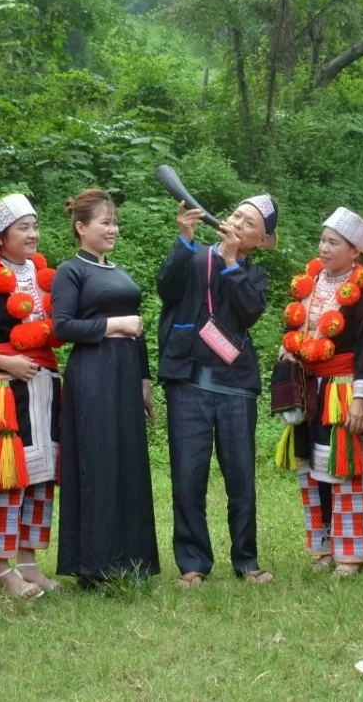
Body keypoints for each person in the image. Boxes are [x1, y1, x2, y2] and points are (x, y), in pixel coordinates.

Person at [157, 195, 277, 589]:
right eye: (236, 215)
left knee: (240, 477)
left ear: (260, 241)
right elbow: (165, 288)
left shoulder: (254, 275)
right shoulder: (194, 256)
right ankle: (193, 564)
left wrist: (230, 263)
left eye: (249, 223)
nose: (238, 222)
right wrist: (185, 238)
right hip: (188, 381)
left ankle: (247, 561)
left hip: (236, 386)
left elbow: (249, 312)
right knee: (188, 476)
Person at [52, 189, 159, 585]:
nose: (112, 229)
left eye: (114, 222)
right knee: (97, 460)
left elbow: (139, 327)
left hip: (127, 371)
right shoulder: (71, 271)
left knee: (129, 461)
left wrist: (145, 381)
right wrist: (114, 326)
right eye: (104, 222)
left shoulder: (117, 270)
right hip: (93, 373)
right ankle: (95, 566)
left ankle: (135, 561)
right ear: (81, 228)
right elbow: (62, 327)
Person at [275, 208, 363, 578]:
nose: (323, 248)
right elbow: (292, 327)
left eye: (333, 242)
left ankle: (351, 552)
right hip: (310, 388)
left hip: (343, 388)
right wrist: (287, 349)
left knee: (343, 467)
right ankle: (325, 547)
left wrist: (360, 399)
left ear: (355, 252)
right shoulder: (312, 282)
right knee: (313, 469)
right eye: (322, 240)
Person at [0, 193, 60, 599]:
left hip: (44, 380)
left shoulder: (44, 276)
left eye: (35, 226)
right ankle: (3, 568)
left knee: (42, 476)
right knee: (11, 476)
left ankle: (28, 562)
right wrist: (5, 365)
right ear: (1, 237)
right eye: (23, 227)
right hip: (5, 385)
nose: (33, 234)